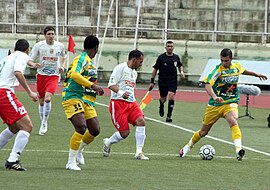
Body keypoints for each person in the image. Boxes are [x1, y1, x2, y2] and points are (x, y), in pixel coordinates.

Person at [179, 48, 268, 161]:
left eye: (226, 61)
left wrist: (256, 74)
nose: (223, 63)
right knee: (203, 132)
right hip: (215, 105)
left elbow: (243, 70)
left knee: (233, 120)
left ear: (231, 59)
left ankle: (238, 150)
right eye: (222, 60)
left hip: (230, 102)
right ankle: (187, 148)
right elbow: (207, 85)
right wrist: (215, 97)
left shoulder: (236, 66)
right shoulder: (218, 70)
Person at [62, 35, 104, 171]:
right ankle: (70, 162)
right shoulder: (82, 58)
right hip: (71, 95)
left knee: (95, 129)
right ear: (96, 48)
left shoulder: (88, 61)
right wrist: (93, 86)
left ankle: (79, 150)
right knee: (80, 127)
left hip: (83, 98)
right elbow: (74, 74)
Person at [0, 39, 39, 171]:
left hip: (1, 92)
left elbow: (25, 61)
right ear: (27, 49)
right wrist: (30, 92)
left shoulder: (8, 57)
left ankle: (12, 159)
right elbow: (18, 72)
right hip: (5, 93)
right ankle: (12, 160)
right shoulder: (21, 55)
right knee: (27, 126)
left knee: (15, 127)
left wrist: (33, 64)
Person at [103, 49, 149, 160]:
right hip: (118, 104)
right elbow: (111, 85)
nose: (141, 64)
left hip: (131, 104)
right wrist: (121, 93)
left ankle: (139, 152)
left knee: (141, 121)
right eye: (140, 62)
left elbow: (130, 89)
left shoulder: (134, 73)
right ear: (134, 60)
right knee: (124, 133)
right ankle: (108, 142)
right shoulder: (120, 68)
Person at [28, 26, 66, 135]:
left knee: (48, 99)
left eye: (52, 34)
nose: (51, 36)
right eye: (48, 34)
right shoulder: (39, 46)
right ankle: (42, 120)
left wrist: (62, 67)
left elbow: (64, 57)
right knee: (41, 101)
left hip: (53, 76)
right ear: (45, 35)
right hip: (41, 76)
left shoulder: (60, 46)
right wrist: (33, 64)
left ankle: (44, 122)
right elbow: (30, 60)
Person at [149, 40, 185, 122]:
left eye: (171, 46)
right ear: (165, 47)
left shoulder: (176, 57)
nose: (170, 48)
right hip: (163, 81)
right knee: (163, 98)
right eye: (168, 46)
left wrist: (181, 72)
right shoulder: (161, 58)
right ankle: (161, 104)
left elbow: (180, 65)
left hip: (172, 80)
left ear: (173, 47)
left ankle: (169, 116)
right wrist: (152, 81)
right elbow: (155, 69)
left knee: (171, 95)